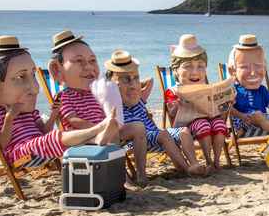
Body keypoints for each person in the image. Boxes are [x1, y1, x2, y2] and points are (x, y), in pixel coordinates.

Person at [0, 36, 117, 165]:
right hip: (19, 153)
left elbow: (44, 132)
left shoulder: (31, 113)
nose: (36, 88)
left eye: (33, 75)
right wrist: (9, 118)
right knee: (56, 137)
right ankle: (98, 129)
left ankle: (98, 135)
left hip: (40, 145)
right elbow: (1, 145)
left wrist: (54, 114)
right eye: (20, 77)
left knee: (52, 137)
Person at [49, 30, 148, 185]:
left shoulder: (96, 90)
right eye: (79, 61)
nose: (88, 67)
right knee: (111, 132)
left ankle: (141, 174)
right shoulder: (65, 96)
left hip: (107, 130)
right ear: (57, 70)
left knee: (138, 127)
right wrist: (98, 127)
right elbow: (73, 119)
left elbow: (112, 108)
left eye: (92, 60)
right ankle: (124, 180)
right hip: (83, 136)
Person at [105, 49, 207, 177]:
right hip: (136, 140)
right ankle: (186, 170)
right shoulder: (116, 106)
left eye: (135, 78)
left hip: (155, 135)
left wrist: (136, 86)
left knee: (184, 131)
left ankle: (193, 164)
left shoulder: (138, 100)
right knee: (164, 134)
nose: (132, 84)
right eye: (126, 80)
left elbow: (150, 81)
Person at [165, 34, 229, 170]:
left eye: (200, 66)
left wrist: (226, 102)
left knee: (220, 125)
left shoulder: (208, 88)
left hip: (210, 120)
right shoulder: (173, 90)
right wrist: (176, 105)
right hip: (187, 127)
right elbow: (172, 114)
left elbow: (218, 110)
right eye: (188, 66)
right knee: (203, 124)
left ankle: (217, 160)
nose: (195, 72)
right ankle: (208, 160)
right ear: (175, 70)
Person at [227, 34, 269, 140]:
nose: (253, 72)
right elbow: (228, 108)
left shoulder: (262, 90)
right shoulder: (234, 90)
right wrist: (241, 115)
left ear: (264, 67)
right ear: (233, 71)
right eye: (245, 67)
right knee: (259, 115)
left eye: (258, 66)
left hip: (263, 120)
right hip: (243, 121)